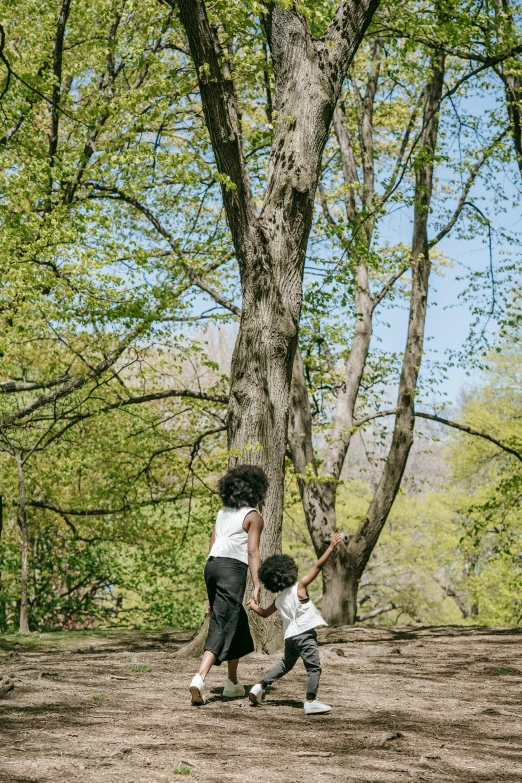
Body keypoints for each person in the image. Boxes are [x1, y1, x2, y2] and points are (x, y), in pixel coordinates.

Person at [189, 465, 267, 706]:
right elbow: (252, 551)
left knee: (236, 620)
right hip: (232, 569)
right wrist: (256, 584)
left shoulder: (222, 513)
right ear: (255, 490)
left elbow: (211, 548)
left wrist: (210, 599)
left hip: (211, 567)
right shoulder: (254, 516)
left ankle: (232, 684)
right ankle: (199, 678)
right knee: (223, 623)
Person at [247, 533, 343, 715]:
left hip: (290, 637)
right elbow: (318, 566)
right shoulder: (300, 587)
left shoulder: (279, 599)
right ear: (288, 571)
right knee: (313, 667)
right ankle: (311, 701)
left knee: (285, 664)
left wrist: (253, 606)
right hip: (305, 635)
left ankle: (259, 686)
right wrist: (330, 547)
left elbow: (264, 614)